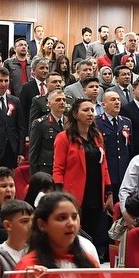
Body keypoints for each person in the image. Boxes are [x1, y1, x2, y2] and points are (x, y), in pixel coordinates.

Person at [54, 97, 113, 258]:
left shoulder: (97, 136)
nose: (90, 113)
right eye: (85, 110)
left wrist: (109, 191)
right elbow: (58, 168)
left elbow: (104, 166)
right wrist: (60, 193)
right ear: (75, 114)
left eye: (92, 110)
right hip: (74, 194)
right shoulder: (63, 137)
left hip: (96, 191)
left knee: (96, 232)